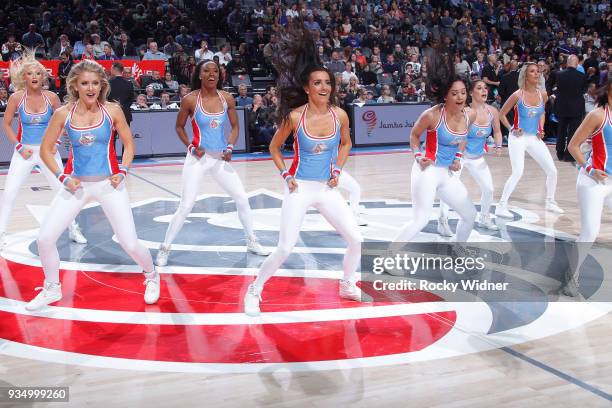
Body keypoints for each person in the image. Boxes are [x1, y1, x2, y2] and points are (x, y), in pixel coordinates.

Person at [244, 27, 364, 317]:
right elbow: (274, 148)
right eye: (317, 83)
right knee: (285, 248)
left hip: (326, 189)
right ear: (307, 88)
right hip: (300, 188)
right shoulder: (295, 117)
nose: (324, 87)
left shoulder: (341, 115)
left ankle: (347, 283)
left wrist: (337, 169)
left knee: (356, 240)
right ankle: (254, 290)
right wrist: (286, 176)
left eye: (327, 82)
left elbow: (346, 144)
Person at [25, 60, 159, 310]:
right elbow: (45, 149)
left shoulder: (113, 110)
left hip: (109, 184)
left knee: (128, 242)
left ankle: (152, 276)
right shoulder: (63, 113)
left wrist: (124, 170)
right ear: (75, 85)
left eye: (95, 83)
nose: (90, 88)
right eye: (85, 83)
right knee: (45, 238)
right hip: (76, 186)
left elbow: (129, 144)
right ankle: (52, 288)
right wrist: (62, 177)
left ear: (102, 85)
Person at [155, 60, 269, 267]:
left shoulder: (227, 98)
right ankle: (164, 247)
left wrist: (230, 147)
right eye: (206, 71)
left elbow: (235, 128)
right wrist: (191, 147)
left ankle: (252, 240)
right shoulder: (190, 100)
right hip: (199, 158)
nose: (211, 74)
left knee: (242, 198)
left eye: (215, 71)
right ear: (199, 74)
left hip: (219, 159)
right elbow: (179, 127)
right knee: (186, 204)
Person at [389, 50, 477, 246]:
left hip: (446, 173)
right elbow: (414, 135)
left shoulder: (470, 115)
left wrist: (458, 158)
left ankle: (459, 249)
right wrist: (418, 156)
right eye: (454, 93)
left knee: (470, 214)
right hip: (426, 171)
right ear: (445, 95)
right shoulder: (432, 115)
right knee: (420, 219)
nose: (460, 97)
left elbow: (462, 138)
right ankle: (389, 257)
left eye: (463, 92)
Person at [0, 51, 86, 246]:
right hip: (24, 153)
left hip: (47, 151)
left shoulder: (52, 97)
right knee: (10, 193)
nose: (35, 77)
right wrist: (19, 147)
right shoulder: (16, 98)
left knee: (64, 190)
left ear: (43, 76)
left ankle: (73, 229)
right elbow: (6, 124)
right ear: (24, 77)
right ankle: (2, 233)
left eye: (38, 73)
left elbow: (63, 123)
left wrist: (55, 144)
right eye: (30, 73)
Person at [495, 62, 564, 218]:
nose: (537, 74)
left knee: (552, 170)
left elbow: (541, 113)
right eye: (533, 71)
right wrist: (512, 129)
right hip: (518, 138)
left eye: (538, 72)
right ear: (525, 75)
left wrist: (541, 129)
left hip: (534, 137)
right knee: (518, 172)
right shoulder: (517, 95)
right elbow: (501, 114)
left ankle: (550, 201)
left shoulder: (543, 94)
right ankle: (501, 205)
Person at [564, 79, 612, 296]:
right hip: (593, 180)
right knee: (589, 233)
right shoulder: (598, 115)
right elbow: (573, 146)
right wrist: (590, 169)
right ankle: (570, 277)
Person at [437, 80, 504, 235]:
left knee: (489, 189)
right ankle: (442, 220)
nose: (484, 90)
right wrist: (456, 157)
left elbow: (498, 132)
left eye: (485, 88)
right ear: (471, 93)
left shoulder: (492, 111)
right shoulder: (465, 112)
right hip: (459, 156)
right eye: (479, 88)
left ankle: (484, 217)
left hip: (478, 158)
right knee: (448, 189)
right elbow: (459, 135)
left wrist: (499, 146)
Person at [553, 55, 588, 162]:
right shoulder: (582, 76)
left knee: (561, 131)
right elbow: (584, 90)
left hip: (561, 106)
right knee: (573, 132)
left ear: (567, 63)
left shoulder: (558, 74)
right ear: (577, 63)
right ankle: (569, 156)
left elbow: (554, 88)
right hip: (576, 107)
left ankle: (560, 153)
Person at [108, 62, 134, 156]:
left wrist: (115, 106)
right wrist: (122, 106)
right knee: (126, 138)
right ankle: (125, 159)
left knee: (111, 138)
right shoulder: (129, 84)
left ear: (115, 69)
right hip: (125, 114)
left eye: (111, 68)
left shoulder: (108, 83)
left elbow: (105, 99)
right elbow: (131, 100)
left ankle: (112, 159)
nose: (110, 70)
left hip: (111, 114)